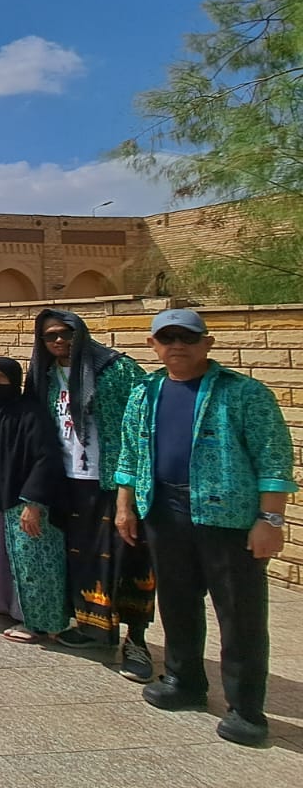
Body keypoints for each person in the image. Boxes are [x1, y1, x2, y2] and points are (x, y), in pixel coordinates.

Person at [117, 308, 297, 746]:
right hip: (164, 510)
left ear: (207, 343)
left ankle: (246, 708)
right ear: (153, 345)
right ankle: (184, 681)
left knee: (239, 614)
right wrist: (125, 507)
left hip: (227, 517)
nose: (177, 346)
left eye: (187, 337)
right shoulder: (145, 392)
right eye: (168, 338)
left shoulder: (243, 393)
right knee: (177, 601)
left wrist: (270, 519)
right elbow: (130, 455)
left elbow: (273, 459)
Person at [28, 308, 154, 682]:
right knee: (83, 561)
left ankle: (137, 641)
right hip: (70, 482)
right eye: (50, 336)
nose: (59, 341)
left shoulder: (116, 370)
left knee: (128, 562)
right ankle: (91, 629)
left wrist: (132, 488)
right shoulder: (45, 375)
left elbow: (142, 428)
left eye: (66, 333)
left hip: (115, 482)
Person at [0, 358, 69, 644]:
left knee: (31, 562)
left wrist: (33, 502)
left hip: (24, 501)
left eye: (2, 378)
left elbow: (45, 457)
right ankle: (4, 606)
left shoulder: (30, 413)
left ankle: (37, 622)